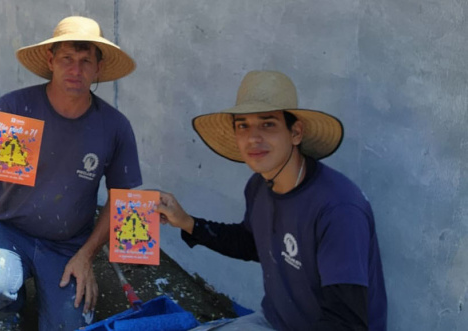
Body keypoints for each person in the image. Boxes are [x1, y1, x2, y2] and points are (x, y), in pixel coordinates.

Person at [157, 71, 387, 330]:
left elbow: (347, 323)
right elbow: (253, 243)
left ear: (296, 133)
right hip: (275, 320)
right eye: (243, 125)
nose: (253, 138)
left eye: (268, 124)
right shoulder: (259, 186)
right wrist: (187, 222)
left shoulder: (338, 209)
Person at [0, 16, 143, 331]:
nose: (76, 70)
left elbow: (122, 199)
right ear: (50, 61)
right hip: (10, 230)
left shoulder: (114, 126)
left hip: (68, 242)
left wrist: (87, 255)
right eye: (67, 59)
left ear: (98, 68)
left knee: (68, 325)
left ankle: (59, 284)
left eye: (86, 61)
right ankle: (7, 309)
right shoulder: (14, 108)